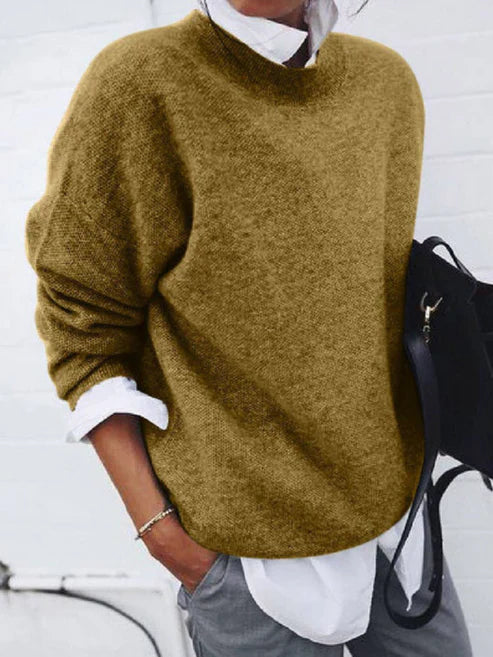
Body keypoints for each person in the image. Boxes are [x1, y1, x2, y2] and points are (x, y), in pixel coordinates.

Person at [24, 0, 473, 655]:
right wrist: (164, 536)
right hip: (243, 564)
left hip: (397, 532)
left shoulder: (386, 84)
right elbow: (81, 328)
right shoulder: (141, 84)